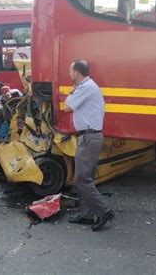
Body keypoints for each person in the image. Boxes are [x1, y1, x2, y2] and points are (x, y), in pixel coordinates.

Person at [64, 59, 115, 232]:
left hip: (88, 138)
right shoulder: (90, 85)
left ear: (77, 72)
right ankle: (86, 214)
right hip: (91, 137)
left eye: (70, 71)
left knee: (82, 179)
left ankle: (104, 211)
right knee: (87, 178)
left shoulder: (85, 87)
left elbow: (67, 107)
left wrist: (71, 92)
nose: (69, 74)